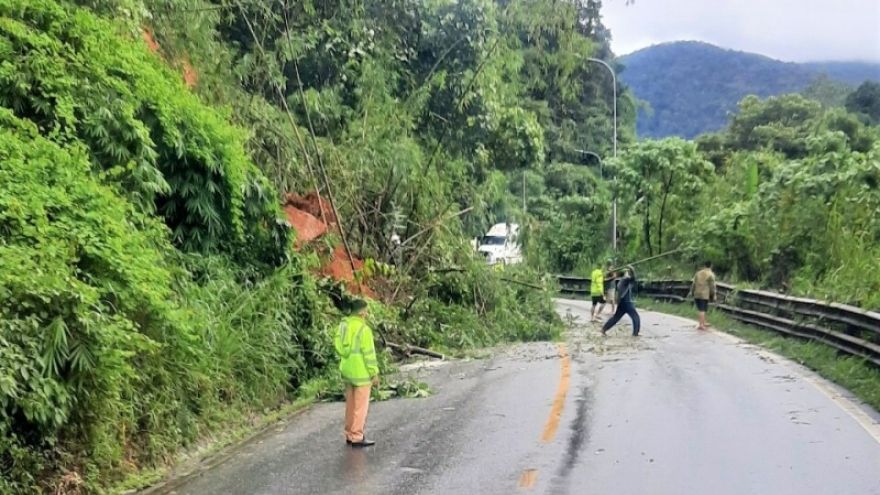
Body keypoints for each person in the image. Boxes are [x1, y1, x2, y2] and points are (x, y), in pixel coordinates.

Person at [334, 299, 380, 447]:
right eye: (366, 311)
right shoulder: (364, 329)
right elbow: (369, 355)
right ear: (361, 312)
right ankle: (357, 436)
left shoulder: (343, 326)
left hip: (347, 371)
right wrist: (374, 374)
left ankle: (349, 434)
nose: (366, 314)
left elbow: (338, 346)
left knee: (351, 405)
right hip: (361, 373)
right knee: (360, 406)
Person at [601, 266, 641, 337]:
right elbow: (633, 278)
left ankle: (604, 329)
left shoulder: (620, 282)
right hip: (626, 302)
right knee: (635, 316)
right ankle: (635, 333)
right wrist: (632, 269)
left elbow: (632, 280)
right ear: (625, 274)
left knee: (616, 317)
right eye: (627, 273)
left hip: (621, 302)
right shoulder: (625, 280)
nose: (628, 274)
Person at [688, 261, 717, 330]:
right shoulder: (711, 274)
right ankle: (701, 324)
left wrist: (691, 292)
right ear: (711, 266)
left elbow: (693, 283)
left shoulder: (698, 273)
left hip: (697, 293)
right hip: (704, 294)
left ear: (704, 265)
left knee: (703, 309)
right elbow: (712, 286)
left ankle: (703, 322)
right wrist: (714, 294)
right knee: (702, 309)